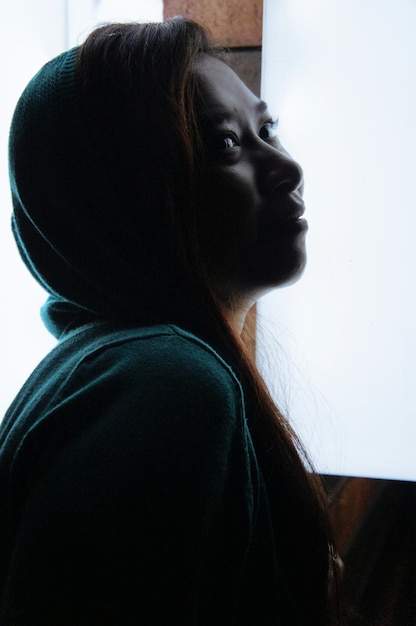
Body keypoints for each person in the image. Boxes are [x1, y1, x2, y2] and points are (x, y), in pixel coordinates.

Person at [0, 16, 342, 625]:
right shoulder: (170, 383)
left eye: (268, 129)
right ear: (125, 197)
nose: (287, 169)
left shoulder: (108, 366)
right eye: (226, 146)